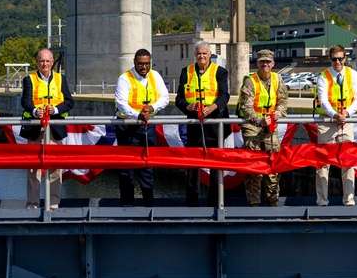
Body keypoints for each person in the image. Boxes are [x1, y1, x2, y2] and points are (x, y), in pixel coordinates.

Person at [175, 41, 230, 206]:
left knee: (215, 164)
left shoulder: (220, 72)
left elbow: (224, 95)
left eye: (205, 53)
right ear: (195, 55)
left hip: (214, 123)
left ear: (210, 54)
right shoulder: (186, 72)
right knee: (192, 165)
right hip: (194, 123)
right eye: (199, 53)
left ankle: (214, 202)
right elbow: (179, 99)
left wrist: (213, 107)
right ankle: (191, 202)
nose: (202, 56)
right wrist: (188, 106)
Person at [20, 48, 75, 210]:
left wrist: (56, 110)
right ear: (37, 63)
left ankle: (53, 203)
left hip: (55, 128)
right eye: (41, 61)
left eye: (47, 61)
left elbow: (69, 102)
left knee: (55, 168)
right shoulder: (29, 79)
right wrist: (35, 111)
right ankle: (33, 204)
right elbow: (25, 101)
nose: (44, 64)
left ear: (52, 62)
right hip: (35, 128)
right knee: (33, 168)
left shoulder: (60, 79)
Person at [114, 49, 170, 206]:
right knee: (127, 169)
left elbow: (165, 97)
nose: (144, 67)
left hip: (147, 127)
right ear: (134, 62)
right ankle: (127, 206)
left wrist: (151, 108)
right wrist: (137, 115)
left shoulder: (155, 76)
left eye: (147, 64)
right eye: (140, 64)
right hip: (127, 127)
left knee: (147, 167)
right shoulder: (124, 79)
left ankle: (149, 205)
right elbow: (122, 103)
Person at [237, 49, 289, 206]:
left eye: (268, 62)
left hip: (271, 127)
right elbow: (246, 107)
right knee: (254, 169)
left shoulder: (277, 79)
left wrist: (278, 112)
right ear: (257, 63)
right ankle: (254, 203)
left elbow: (283, 100)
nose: (265, 64)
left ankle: (272, 200)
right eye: (262, 62)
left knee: (274, 165)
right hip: (253, 127)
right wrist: (260, 120)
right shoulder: (250, 81)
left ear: (272, 64)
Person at [315, 44, 357, 206]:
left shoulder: (353, 74)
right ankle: (322, 200)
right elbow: (323, 100)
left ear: (345, 58)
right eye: (334, 59)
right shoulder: (323, 76)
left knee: (348, 161)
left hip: (346, 121)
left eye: (340, 58)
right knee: (323, 163)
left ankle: (349, 199)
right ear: (330, 59)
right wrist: (335, 115)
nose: (338, 62)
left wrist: (347, 114)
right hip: (327, 122)